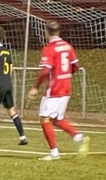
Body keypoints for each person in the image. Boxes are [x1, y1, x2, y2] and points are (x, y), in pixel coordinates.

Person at [28, 20, 90, 161]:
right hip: (66, 86)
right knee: (56, 119)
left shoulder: (49, 48)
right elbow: (75, 66)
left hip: (55, 88)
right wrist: (65, 75)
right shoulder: (68, 46)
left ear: (46, 32)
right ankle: (78, 137)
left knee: (44, 118)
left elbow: (45, 71)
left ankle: (54, 153)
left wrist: (35, 87)